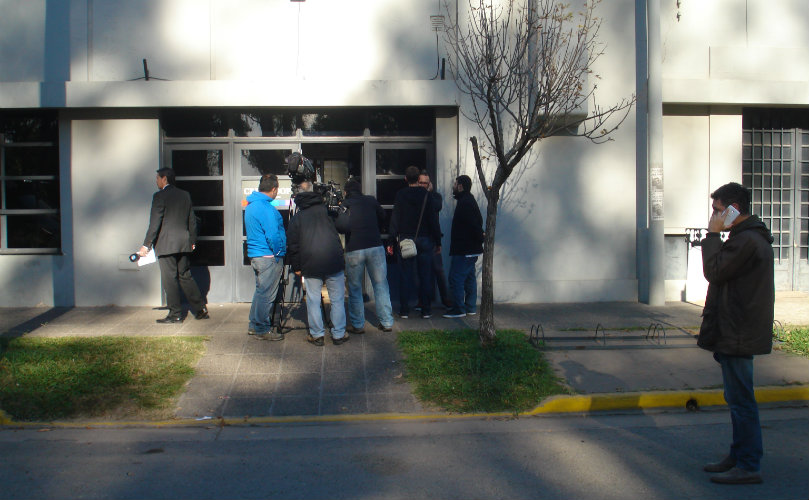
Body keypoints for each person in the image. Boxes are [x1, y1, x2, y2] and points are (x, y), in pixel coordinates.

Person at [699, 182, 774, 485]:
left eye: (717, 210)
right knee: (737, 398)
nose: (713, 216)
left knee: (742, 400)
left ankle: (748, 463)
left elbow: (714, 271)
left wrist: (713, 235)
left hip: (739, 331)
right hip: (736, 328)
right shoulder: (745, 239)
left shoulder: (745, 242)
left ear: (733, 210)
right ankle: (739, 455)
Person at [138, 168, 209, 323]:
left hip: (166, 244)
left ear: (164, 179)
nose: (156, 181)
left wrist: (146, 245)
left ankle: (175, 314)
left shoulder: (159, 196)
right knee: (185, 275)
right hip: (183, 243)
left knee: (169, 279)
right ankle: (200, 309)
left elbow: (154, 223)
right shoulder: (185, 195)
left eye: (157, 178)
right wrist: (192, 241)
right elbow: (192, 219)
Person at [286, 183, 348, 346]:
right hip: (333, 260)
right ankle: (339, 334)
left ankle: (317, 334)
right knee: (337, 299)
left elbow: (293, 245)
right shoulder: (328, 211)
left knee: (313, 299)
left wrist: (297, 267)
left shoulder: (297, 217)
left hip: (310, 262)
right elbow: (344, 226)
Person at [336, 178, 395, 333]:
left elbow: (341, 227)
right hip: (375, 246)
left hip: (354, 249)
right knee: (381, 285)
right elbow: (383, 216)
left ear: (346, 192)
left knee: (355, 288)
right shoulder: (371, 201)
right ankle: (387, 322)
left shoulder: (345, 204)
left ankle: (357, 325)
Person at [387, 165, 442, 319]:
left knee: (405, 275)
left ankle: (404, 310)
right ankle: (426, 309)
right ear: (419, 179)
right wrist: (438, 241)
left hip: (405, 239)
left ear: (405, 179)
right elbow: (433, 221)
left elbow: (395, 219)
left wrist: (391, 241)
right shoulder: (426, 195)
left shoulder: (400, 195)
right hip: (425, 239)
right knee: (425, 275)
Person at [244, 174, 287, 341]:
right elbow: (273, 235)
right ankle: (262, 328)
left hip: (256, 255)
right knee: (267, 294)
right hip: (269, 256)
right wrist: (279, 252)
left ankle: (254, 325)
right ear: (274, 189)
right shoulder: (266, 208)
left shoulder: (251, 205)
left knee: (261, 292)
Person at [443, 175, 484, 318]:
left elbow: (474, 225)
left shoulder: (465, 203)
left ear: (460, 186)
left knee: (456, 278)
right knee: (469, 278)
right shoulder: (468, 200)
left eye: (455, 184)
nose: (453, 186)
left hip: (465, 249)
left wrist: (479, 238)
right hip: (470, 249)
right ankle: (470, 307)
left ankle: (459, 309)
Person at [415, 172, 453, 311]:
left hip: (432, 238)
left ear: (430, 184)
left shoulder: (434, 196)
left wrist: (429, 193)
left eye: (426, 183)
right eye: (421, 183)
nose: (423, 185)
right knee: (419, 271)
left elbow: (437, 207)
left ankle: (445, 298)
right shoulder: (415, 196)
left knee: (438, 270)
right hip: (418, 238)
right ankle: (422, 300)